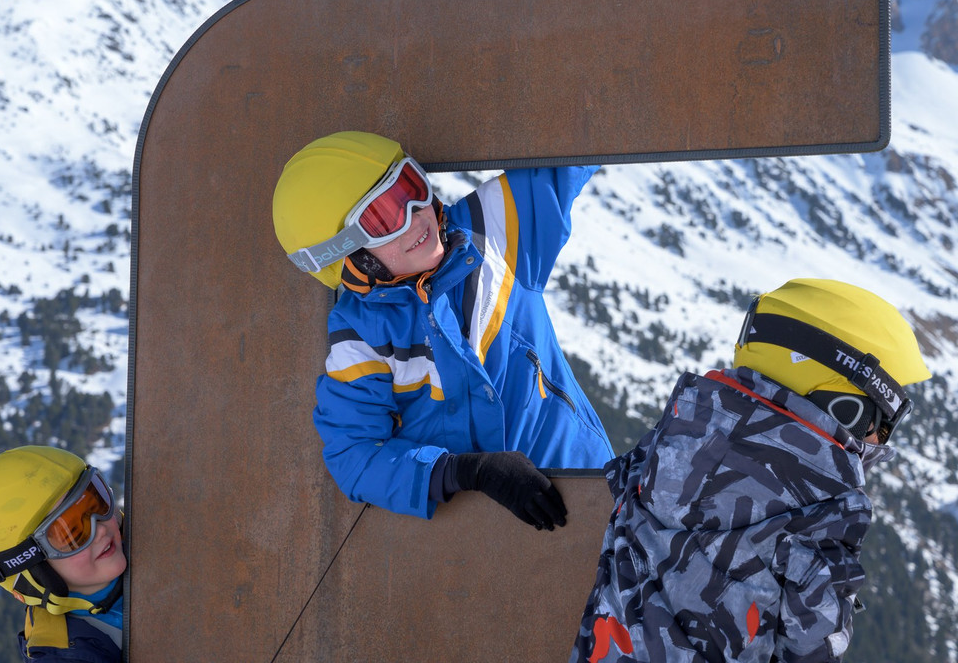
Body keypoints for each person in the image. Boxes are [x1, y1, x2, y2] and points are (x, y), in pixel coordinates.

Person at [570, 278, 931, 663]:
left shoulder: (665, 445)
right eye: (885, 419)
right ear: (846, 407)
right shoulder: (824, 516)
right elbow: (813, 650)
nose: (881, 437)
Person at [272, 130, 615, 531]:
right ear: (352, 261)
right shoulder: (363, 336)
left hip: (587, 488)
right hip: (473, 538)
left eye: (410, 188)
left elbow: (577, 145)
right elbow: (355, 455)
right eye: (384, 218)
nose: (416, 217)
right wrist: (466, 472)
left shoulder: (490, 233)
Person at [0, 445, 126, 662]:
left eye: (96, 502)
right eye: (73, 534)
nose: (101, 529)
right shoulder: (67, 656)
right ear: (37, 571)